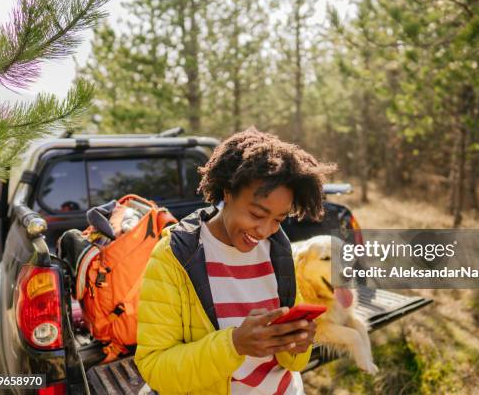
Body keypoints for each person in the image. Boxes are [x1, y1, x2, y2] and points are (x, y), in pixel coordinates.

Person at [135, 127, 336, 394]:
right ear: (228, 192)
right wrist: (234, 345)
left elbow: (294, 363)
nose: (264, 231)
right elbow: (156, 369)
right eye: (256, 213)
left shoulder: (278, 250)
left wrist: (299, 343)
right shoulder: (175, 257)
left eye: (278, 219)